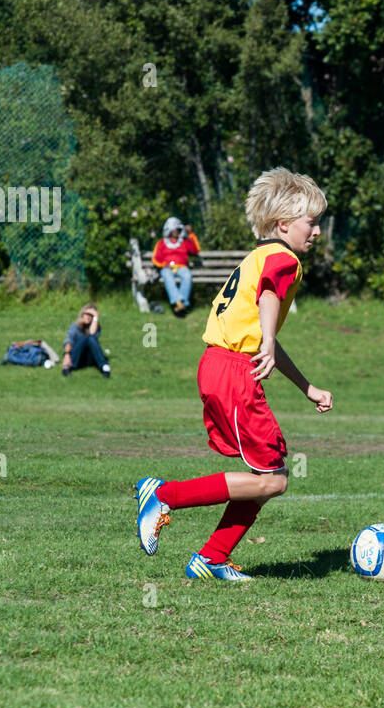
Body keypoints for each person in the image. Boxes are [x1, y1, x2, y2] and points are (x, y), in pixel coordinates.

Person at [133, 168, 333, 582]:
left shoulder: (258, 257)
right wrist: (264, 347)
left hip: (222, 366)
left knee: (266, 475)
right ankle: (163, 495)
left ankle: (212, 558)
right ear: (283, 225)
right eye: (311, 222)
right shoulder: (282, 259)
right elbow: (269, 297)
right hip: (233, 371)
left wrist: (306, 386)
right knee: (274, 481)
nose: (316, 231)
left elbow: (268, 331)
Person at [152, 217, 202, 314]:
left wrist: (190, 234)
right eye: (175, 230)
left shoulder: (184, 241)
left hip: (182, 267)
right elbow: (155, 258)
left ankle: (181, 303)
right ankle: (179, 303)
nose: (176, 232)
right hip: (167, 268)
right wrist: (163, 264)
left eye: (178, 230)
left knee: (187, 276)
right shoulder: (161, 243)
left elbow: (196, 250)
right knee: (167, 276)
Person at [62, 303, 110, 378]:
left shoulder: (96, 326)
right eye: (87, 314)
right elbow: (68, 341)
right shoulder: (74, 326)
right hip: (77, 357)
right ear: (82, 314)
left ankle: (104, 367)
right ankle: (68, 367)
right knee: (84, 338)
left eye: (91, 315)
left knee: (90, 338)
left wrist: (96, 317)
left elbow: (92, 333)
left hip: (89, 358)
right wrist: (67, 354)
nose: (88, 317)